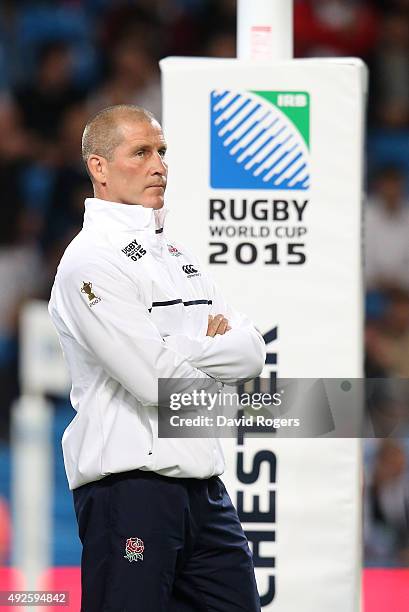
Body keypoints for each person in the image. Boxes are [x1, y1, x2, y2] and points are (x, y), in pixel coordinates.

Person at [48, 104, 266, 611]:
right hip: (131, 493)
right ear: (99, 167)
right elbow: (155, 384)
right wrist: (210, 351)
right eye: (141, 152)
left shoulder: (178, 256)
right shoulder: (90, 261)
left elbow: (253, 350)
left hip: (205, 488)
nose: (159, 165)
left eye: (162, 152)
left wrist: (180, 350)